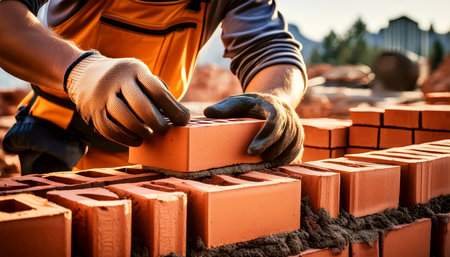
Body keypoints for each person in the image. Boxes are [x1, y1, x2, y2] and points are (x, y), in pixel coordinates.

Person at [0, 0, 307, 174]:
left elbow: (270, 47)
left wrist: (277, 98)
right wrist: (82, 73)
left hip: (155, 142)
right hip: (61, 132)